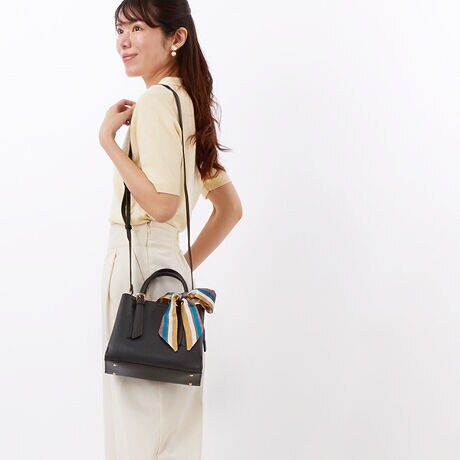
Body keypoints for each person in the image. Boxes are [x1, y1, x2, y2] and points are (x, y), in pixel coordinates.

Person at [98, 1, 243, 459]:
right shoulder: (189, 105)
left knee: (137, 429)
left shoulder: (157, 101)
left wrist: (108, 143)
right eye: (120, 29)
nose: (124, 41)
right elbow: (229, 209)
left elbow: (163, 205)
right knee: (172, 431)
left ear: (176, 37)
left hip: (138, 264)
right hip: (169, 274)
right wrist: (179, 263)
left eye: (138, 28)